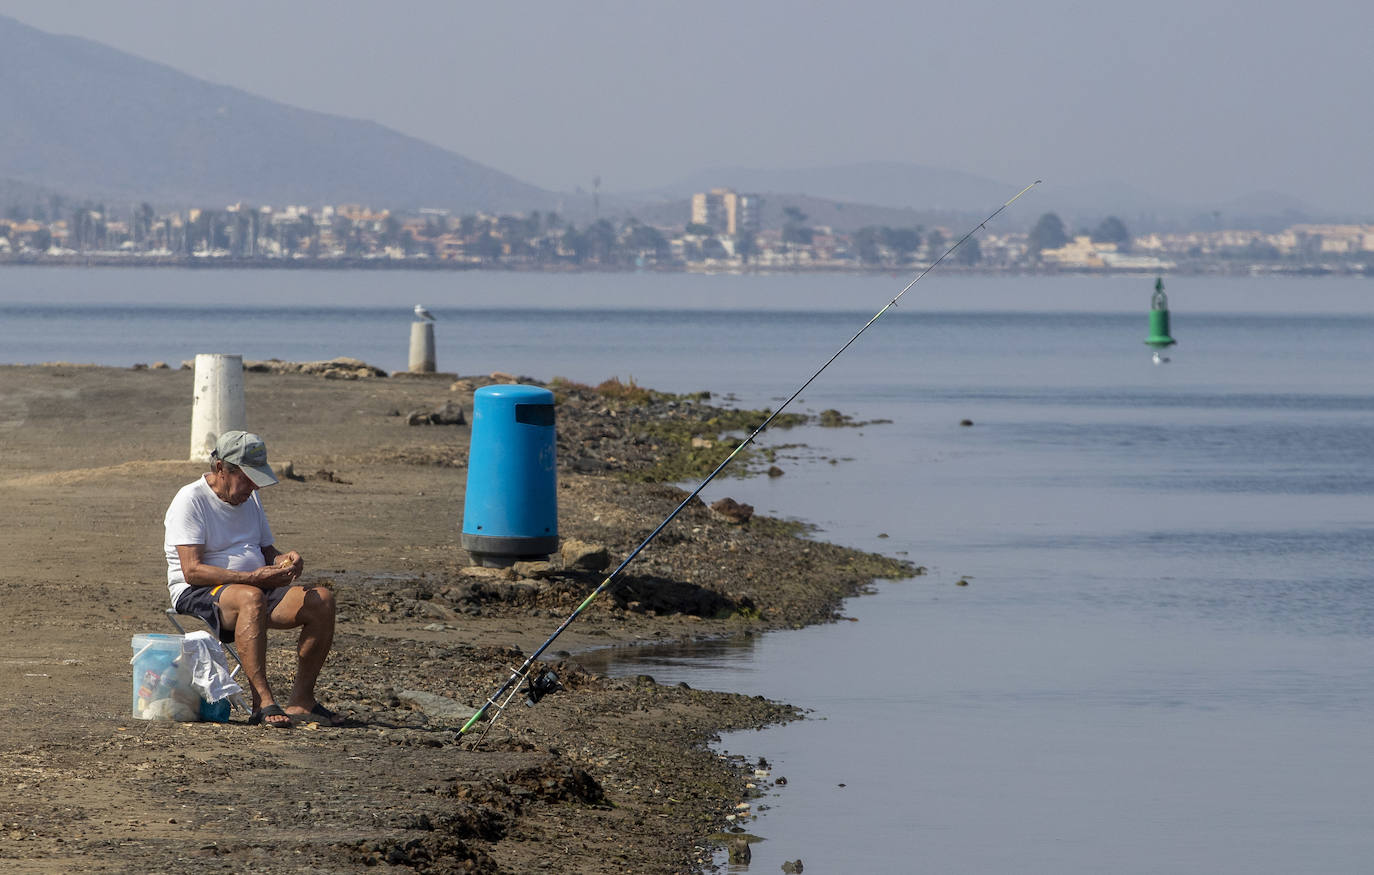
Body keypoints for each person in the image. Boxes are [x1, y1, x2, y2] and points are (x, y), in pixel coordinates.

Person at [163, 430, 337, 728]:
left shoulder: (250, 498)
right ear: (221, 469)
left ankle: (302, 699)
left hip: (255, 584)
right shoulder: (190, 500)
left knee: (321, 599)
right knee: (250, 597)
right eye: (247, 477)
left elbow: (266, 550)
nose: (254, 486)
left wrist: (285, 561)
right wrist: (252, 578)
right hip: (198, 591)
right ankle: (262, 702)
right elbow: (192, 570)